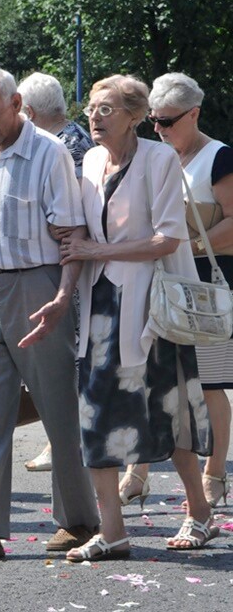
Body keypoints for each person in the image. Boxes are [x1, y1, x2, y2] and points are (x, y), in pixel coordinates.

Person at [0, 68, 100, 563]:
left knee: (57, 406)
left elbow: (71, 236)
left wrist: (63, 297)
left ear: (17, 103)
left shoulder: (49, 153)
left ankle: (79, 520)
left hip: (37, 286)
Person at [60, 75, 216, 561]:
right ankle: (113, 530)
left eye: (106, 109)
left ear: (133, 115)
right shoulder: (88, 160)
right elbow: (81, 229)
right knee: (94, 414)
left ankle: (200, 512)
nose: (94, 116)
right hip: (99, 306)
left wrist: (97, 248)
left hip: (149, 307)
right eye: (90, 108)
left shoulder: (159, 159)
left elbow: (167, 238)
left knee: (168, 414)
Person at [135, 72, 231, 509]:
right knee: (152, 379)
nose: (159, 128)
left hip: (205, 284)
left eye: (168, 120)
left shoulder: (218, 157)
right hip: (160, 284)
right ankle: (138, 471)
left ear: (194, 113)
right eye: (153, 120)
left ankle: (215, 472)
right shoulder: (153, 155)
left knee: (209, 383)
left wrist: (185, 245)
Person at [17, 71, 96, 473]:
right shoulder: (76, 137)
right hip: (67, 261)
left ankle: (65, 439)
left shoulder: (64, 146)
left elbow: (65, 220)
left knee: (68, 356)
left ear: (28, 111)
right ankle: (63, 436)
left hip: (69, 264)